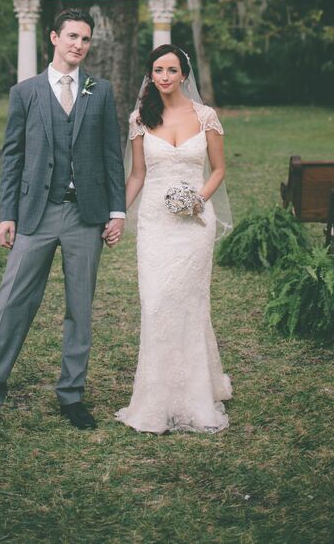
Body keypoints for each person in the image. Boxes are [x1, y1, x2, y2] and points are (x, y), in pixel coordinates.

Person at [0, 8, 126, 439]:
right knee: (12, 306)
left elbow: (113, 156)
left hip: (85, 216)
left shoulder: (101, 90)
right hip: (35, 215)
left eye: (86, 39)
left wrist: (117, 211)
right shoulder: (25, 92)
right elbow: (13, 157)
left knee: (80, 309)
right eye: (72, 36)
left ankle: (71, 395)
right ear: (54, 38)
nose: (79, 44)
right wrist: (7, 214)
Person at [115, 44, 232, 434]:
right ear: (151, 75)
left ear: (184, 74)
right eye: (157, 70)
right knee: (156, 304)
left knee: (189, 302)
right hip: (154, 223)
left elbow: (217, 170)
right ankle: (155, 397)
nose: (164, 76)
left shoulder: (206, 117)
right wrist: (118, 214)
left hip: (195, 224)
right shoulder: (140, 118)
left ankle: (197, 393)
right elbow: (137, 175)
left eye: (171, 69)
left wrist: (198, 198)